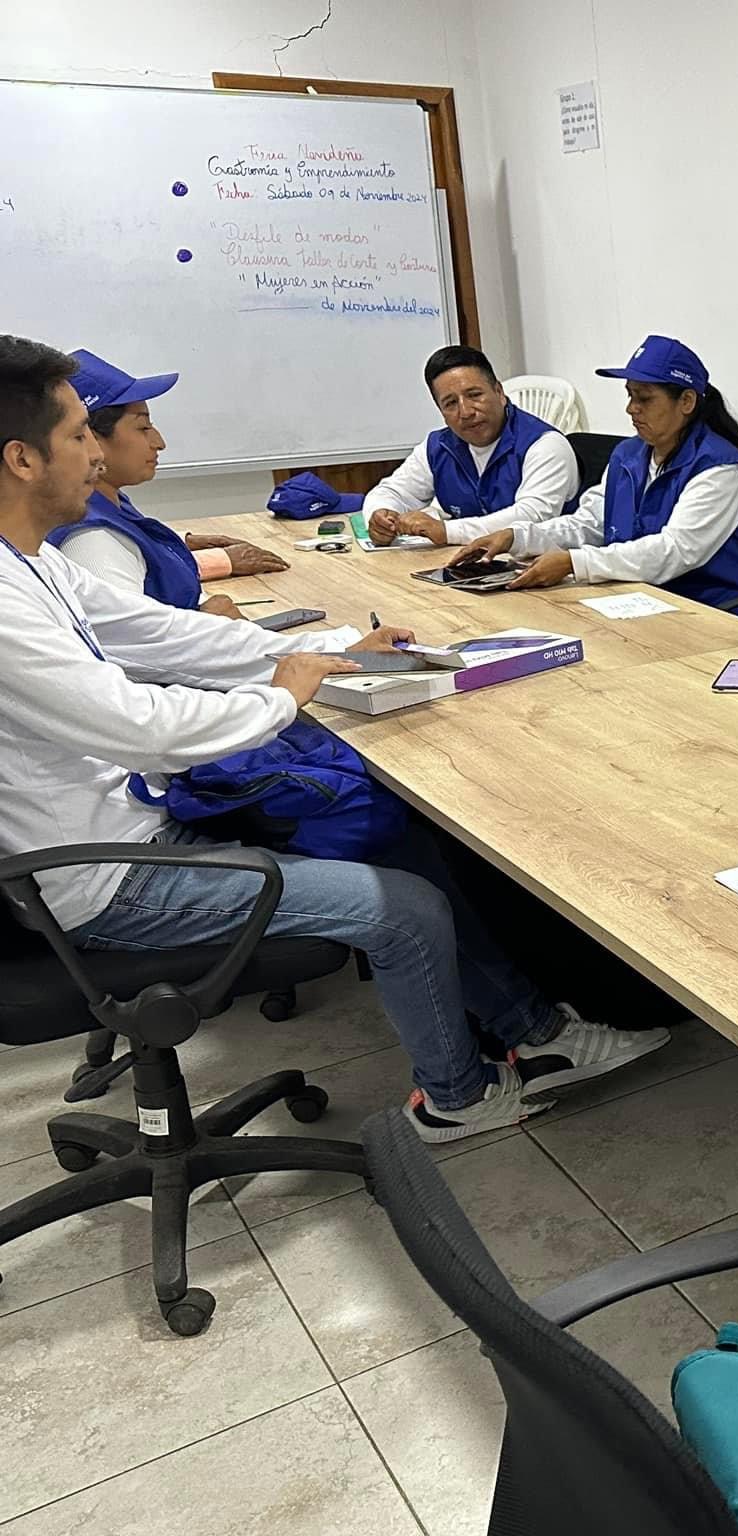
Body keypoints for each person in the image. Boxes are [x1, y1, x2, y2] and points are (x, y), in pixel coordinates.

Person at [0, 335, 668, 1142]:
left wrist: (336, 650)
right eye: (79, 435)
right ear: (22, 459)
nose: (96, 456)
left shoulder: (32, 564)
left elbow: (168, 636)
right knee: (407, 908)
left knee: (393, 835)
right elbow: (144, 730)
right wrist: (282, 698)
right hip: (111, 878)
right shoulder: (7, 601)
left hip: (136, 823)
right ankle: (456, 1097)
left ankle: (536, 1030)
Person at [451, 335, 738, 616]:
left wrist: (575, 563)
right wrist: (518, 537)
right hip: (639, 601)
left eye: (644, 398)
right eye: (630, 395)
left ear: (686, 401)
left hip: (713, 611)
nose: (631, 408)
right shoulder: (628, 454)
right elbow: (591, 523)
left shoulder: (722, 469)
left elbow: (674, 551)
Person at [47, 349, 288, 620]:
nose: (159, 442)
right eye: (143, 428)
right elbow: (130, 636)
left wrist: (177, 543)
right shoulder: (92, 539)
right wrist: (209, 622)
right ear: (89, 438)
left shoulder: (106, 501)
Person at [363, 343, 578, 547]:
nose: (465, 412)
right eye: (451, 403)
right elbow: (392, 491)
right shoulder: (438, 447)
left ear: (499, 393)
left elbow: (532, 517)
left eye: (474, 395)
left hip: (542, 566)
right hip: (472, 563)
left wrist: (446, 531)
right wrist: (382, 515)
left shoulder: (545, 444)